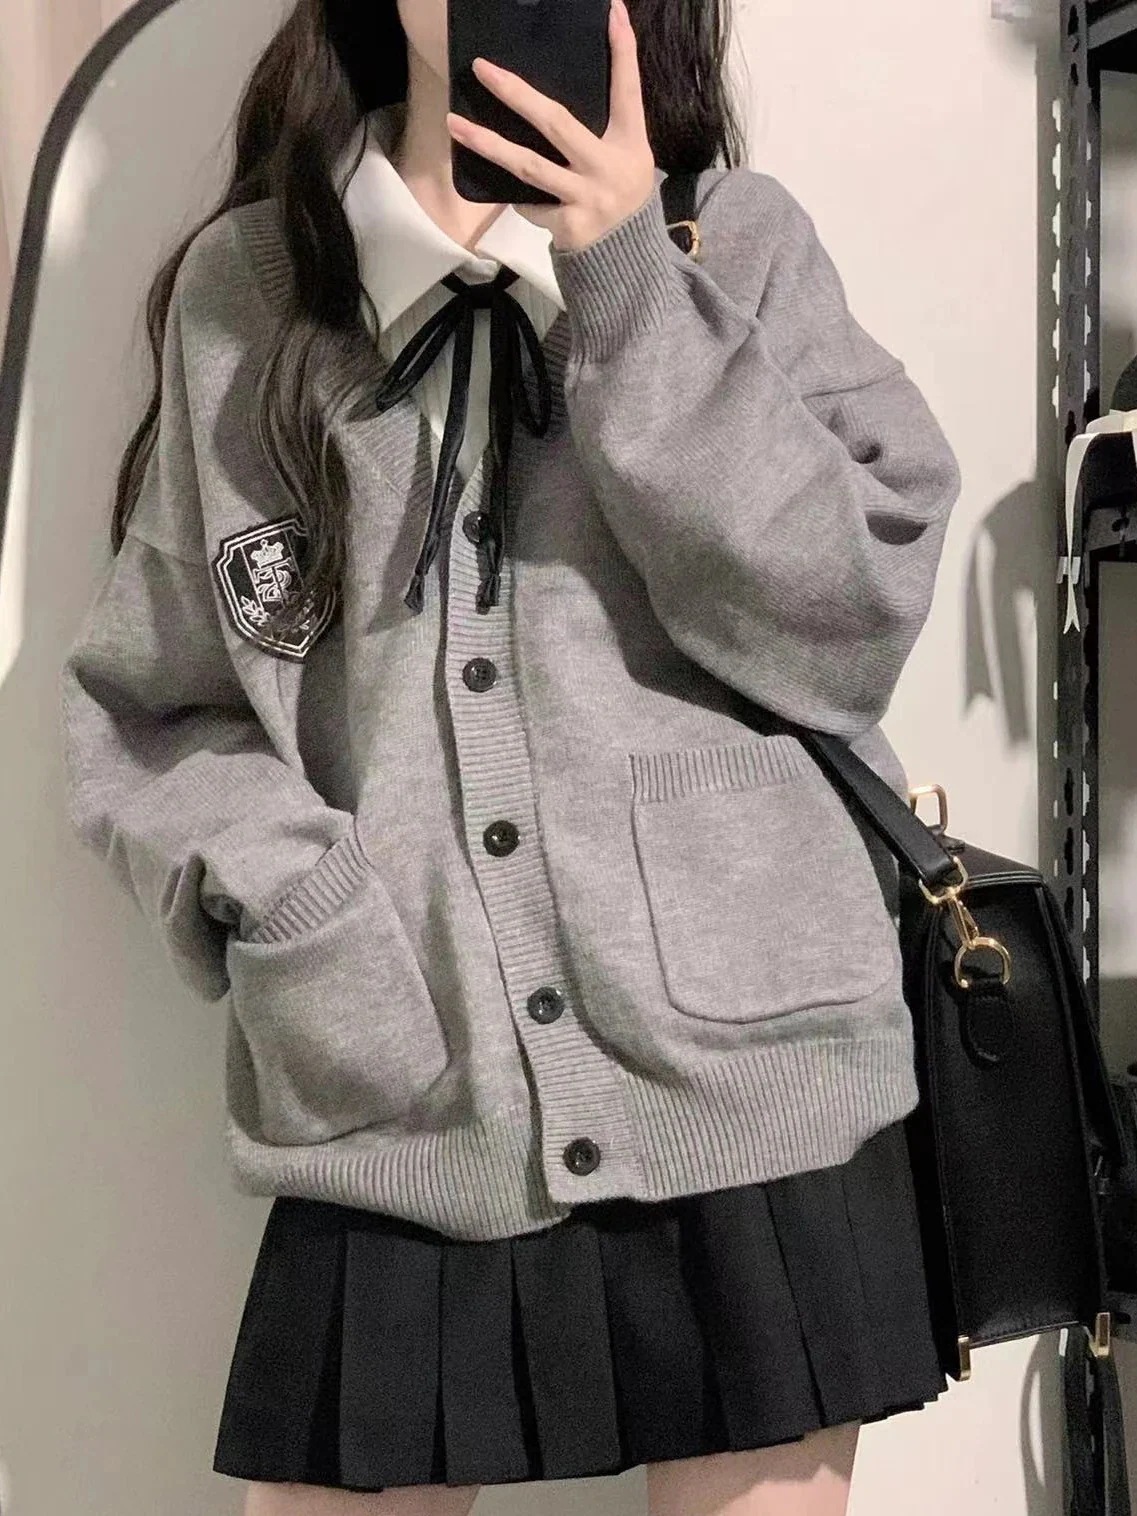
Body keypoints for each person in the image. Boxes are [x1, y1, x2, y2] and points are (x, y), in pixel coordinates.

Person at [56, 0, 964, 1511]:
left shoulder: (731, 243)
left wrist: (626, 283)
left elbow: (848, 618)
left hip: (757, 1083)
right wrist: (301, 909)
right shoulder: (257, 291)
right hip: (401, 1090)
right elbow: (158, 705)